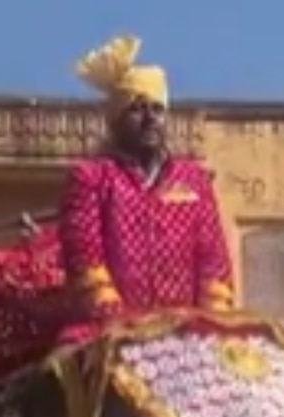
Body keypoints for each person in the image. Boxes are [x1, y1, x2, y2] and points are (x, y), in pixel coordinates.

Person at [62, 34, 236, 318]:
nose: (150, 118)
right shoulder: (91, 178)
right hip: (111, 328)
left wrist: (208, 325)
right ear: (115, 120)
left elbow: (213, 260)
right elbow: (85, 256)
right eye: (137, 109)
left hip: (185, 333)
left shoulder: (193, 181)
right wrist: (119, 323)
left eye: (157, 109)